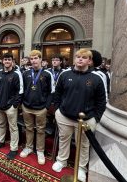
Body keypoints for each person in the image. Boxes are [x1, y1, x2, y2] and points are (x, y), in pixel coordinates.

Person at [51, 49, 106, 182]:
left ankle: (81, 168)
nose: (80, 59)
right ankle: (62, 160)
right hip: (64, 116)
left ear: (89, 60)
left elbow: (101, 101)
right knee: (64, 139)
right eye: (78, 57)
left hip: (86, 120)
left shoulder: (97, 78)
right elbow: (57, 94)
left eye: (84, 57)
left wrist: (96, 118)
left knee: (84, 145)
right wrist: (58, 110)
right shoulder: (65, 75)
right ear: (74, 59)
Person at [19, 50, 54, 165]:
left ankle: (40, 151)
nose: (33, 61)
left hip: (41, 108)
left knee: (40, 130)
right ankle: (29, 147)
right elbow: (22, 89)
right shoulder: (26, 73)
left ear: (40, 59)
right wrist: (23, 103)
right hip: (27, 107)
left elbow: (51, 92)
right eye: (32, 59)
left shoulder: (47, 74)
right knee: (28, 128)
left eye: (36, 58)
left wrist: (46, 107)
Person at [0, 52, 23, 160]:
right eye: (5, 59)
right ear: (2, 61)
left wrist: (14, 105)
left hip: (10, 107)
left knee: (13, 128)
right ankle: (1, 141)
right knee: (1, 124)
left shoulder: (16, 74)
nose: (7, 61)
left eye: (9, 59)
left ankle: (14, 148)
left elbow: (19, 91)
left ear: (12, 61)